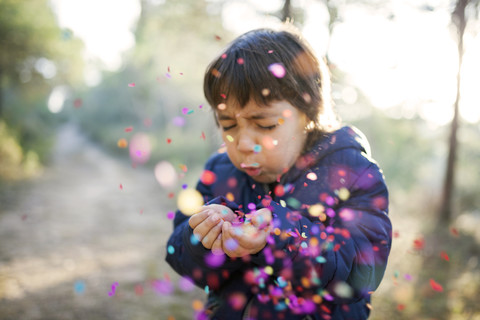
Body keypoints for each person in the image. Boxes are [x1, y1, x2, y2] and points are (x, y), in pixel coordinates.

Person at [166, 25, 392, 320]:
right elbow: (179, 255)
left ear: (307, 114)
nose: (244, 143)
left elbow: (363, 273)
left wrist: (282, 236)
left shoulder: (351, 173)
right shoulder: (220, 170)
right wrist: (203, 238)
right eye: (229, 125)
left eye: (265, 125)